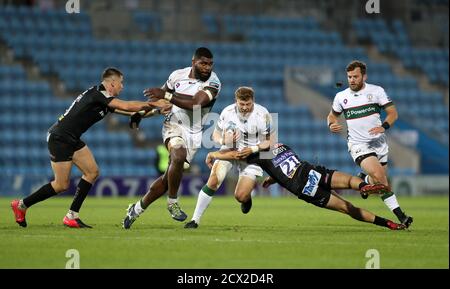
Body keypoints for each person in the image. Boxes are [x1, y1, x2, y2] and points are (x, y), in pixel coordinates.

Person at [10, 67, 169, 228]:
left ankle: (72, 215)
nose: (122, 86)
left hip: (71, 138)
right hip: (60, 137)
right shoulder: (98, 94)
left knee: (92, 172)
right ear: (112, 83)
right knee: (61, 185)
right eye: (121, 83)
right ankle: (21, 205)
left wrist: (157, 111)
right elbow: (128, 106)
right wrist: (155, 102)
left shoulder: (104, 99)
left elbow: (131, 113)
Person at [122, 47, 221, 228]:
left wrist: (167, 95)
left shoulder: (214, 82)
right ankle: (173, 202)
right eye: (203, 63)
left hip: (194, 133)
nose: (208, 67)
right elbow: (161, 101)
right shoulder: (177, 76)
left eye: (210, 64)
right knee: (178, 155)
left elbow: (195, 103)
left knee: (167, 180)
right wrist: (141, 113)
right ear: (194, 62)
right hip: (173, 125)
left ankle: (136, 209)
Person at [203, 143, 407, 231]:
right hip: (309, 170)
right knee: (348, 181)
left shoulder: (257, 154)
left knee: (346, 208)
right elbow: (283, 164)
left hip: (302, 187)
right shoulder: (279, 145)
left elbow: (235, 155)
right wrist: (274, 178)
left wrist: (214, 154)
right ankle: (363, 186)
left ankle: (388, 223)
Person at [327, 60, 413, 228]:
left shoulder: (377, 91)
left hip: (379, 143)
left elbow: (393, 113)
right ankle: (401, 216)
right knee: (381, 179)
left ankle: (363, 179)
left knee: (380, 184)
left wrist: (384, 126)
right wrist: (331, 124)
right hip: (358, 145)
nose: (352, 80)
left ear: (364, 76)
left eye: (355, 77)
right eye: (349, 77)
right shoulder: (341, 97)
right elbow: (331, 116)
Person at [184, 86, 275, 228]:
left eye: (248, 104)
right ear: (236, 101)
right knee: (213, 180)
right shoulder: (227, 112)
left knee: (240, 196)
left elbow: (270, 141)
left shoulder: (263, 114)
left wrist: (253, 149)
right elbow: (215, 135)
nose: (245, 107)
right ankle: (194, 220)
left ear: (253, 101)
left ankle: (246, 198)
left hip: (252, 154)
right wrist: (223, 141)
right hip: (230, 150)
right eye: (241, 104)